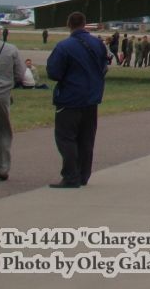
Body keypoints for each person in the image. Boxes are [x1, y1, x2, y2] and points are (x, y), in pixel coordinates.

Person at [46, 12, 109, 188]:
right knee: (86, 139)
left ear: (69, 24)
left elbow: (54, 72)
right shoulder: (98, 43)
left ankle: (71, 175)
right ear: (85, 23)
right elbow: (104, 67)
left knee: (66, 138)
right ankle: (83, 175)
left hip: (70, 99)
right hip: (91, 99)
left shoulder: (64, 46)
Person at [0, 27, 26, 181]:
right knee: (3, 131)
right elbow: (20, 74)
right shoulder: (10, 49)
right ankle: (2, 167)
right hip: (1, 95)